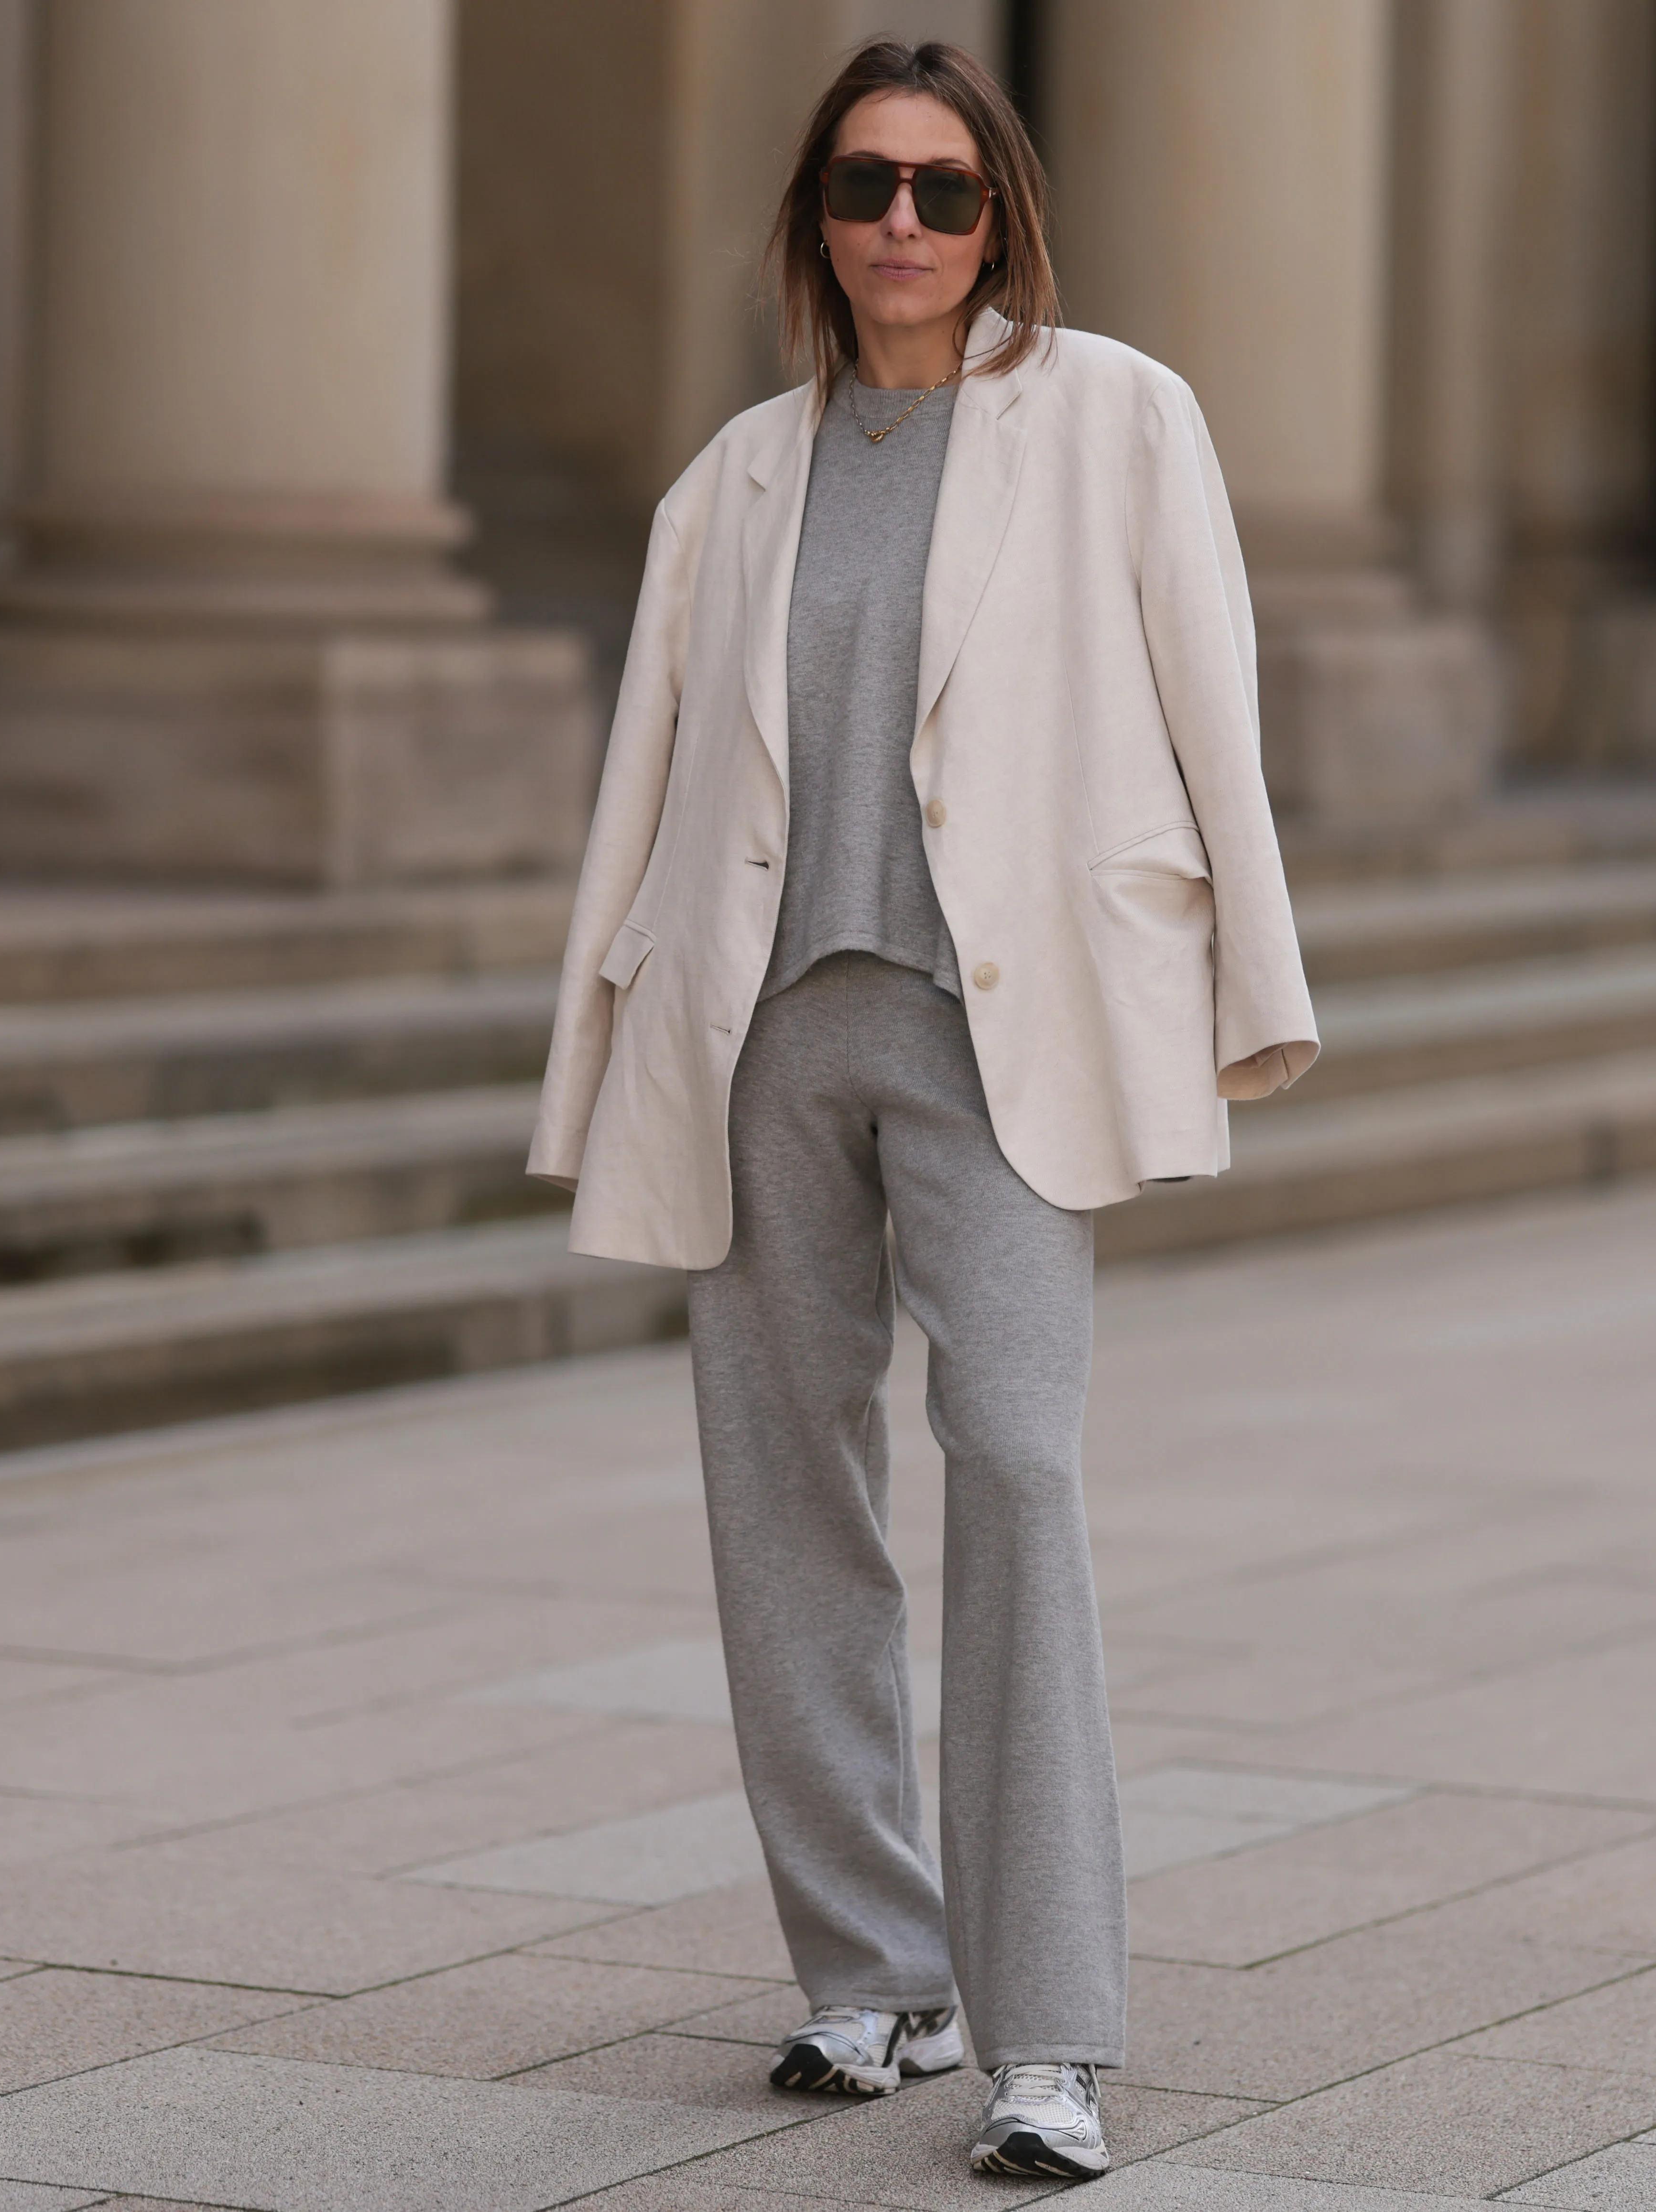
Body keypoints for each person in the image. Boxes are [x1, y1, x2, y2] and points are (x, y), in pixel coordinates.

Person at [525, 37, 1317, 2183]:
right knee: (784, 1497)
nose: (902, 223)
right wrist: (593, 1053)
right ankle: (872, 1968)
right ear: (815, 217)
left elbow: (1211, 699)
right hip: (763, 1032)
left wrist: (1253, 991)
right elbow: (648, 784)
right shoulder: (733, 480)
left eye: (943, 191)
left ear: (1001, 220)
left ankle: (1048, 2032)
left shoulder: (1115, 417)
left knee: (1019, 1466)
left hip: (1002, 1034)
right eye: (865, 185)